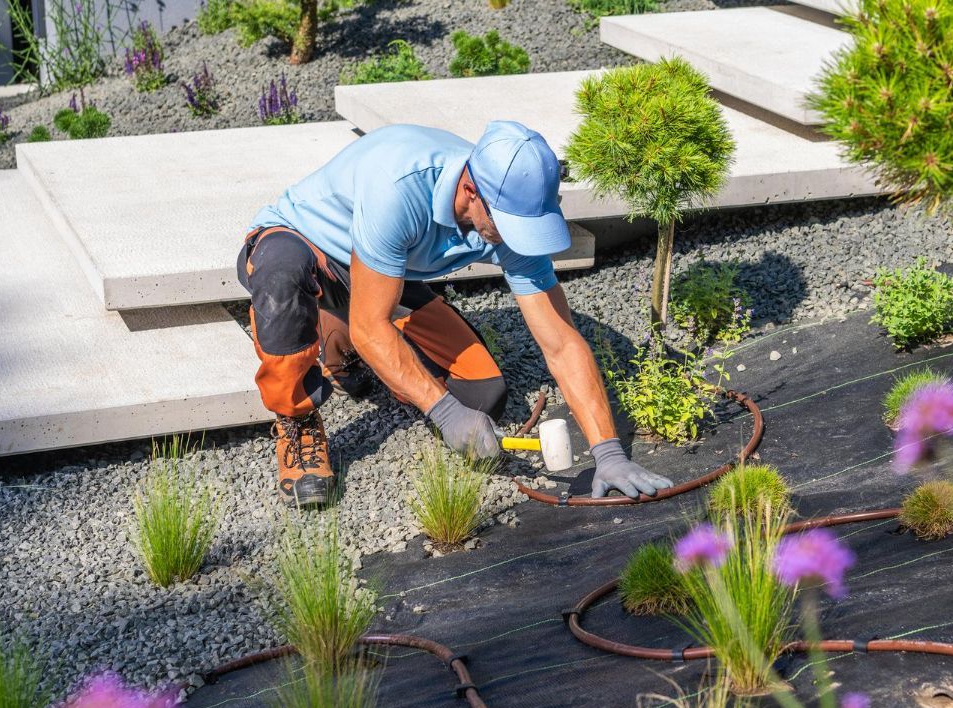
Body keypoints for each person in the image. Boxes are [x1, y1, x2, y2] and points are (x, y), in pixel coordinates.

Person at [237, 119, 674, 507]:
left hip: (378, 270)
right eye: (509, 226)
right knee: (283, 275)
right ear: (470, 191)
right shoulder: (399, 188)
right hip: (304, 246)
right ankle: (297, 419)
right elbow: (374, 328)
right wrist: (443, 414)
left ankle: (339, 329)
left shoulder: (508, 210)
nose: (516, 239)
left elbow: (559, 341)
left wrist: (609, 453)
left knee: (483, 397)